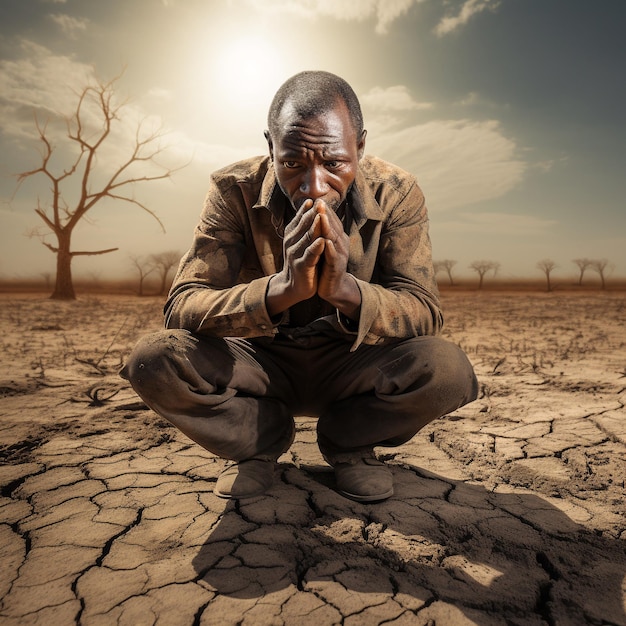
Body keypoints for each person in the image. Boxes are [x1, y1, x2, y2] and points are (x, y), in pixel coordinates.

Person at [121, 71, 478, 503]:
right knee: (154, 360)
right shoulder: (232, 190)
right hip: (258, 357)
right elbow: (182, 305)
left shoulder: (397, 193)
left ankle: (349, 444)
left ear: (360, 146)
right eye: (292, 163)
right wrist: (282, 290)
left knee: (447, 370)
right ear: (270, 147)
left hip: (354, 360)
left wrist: (345, 290)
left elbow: (424, 309)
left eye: (334, 164)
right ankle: (259, 442)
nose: (314, 187)